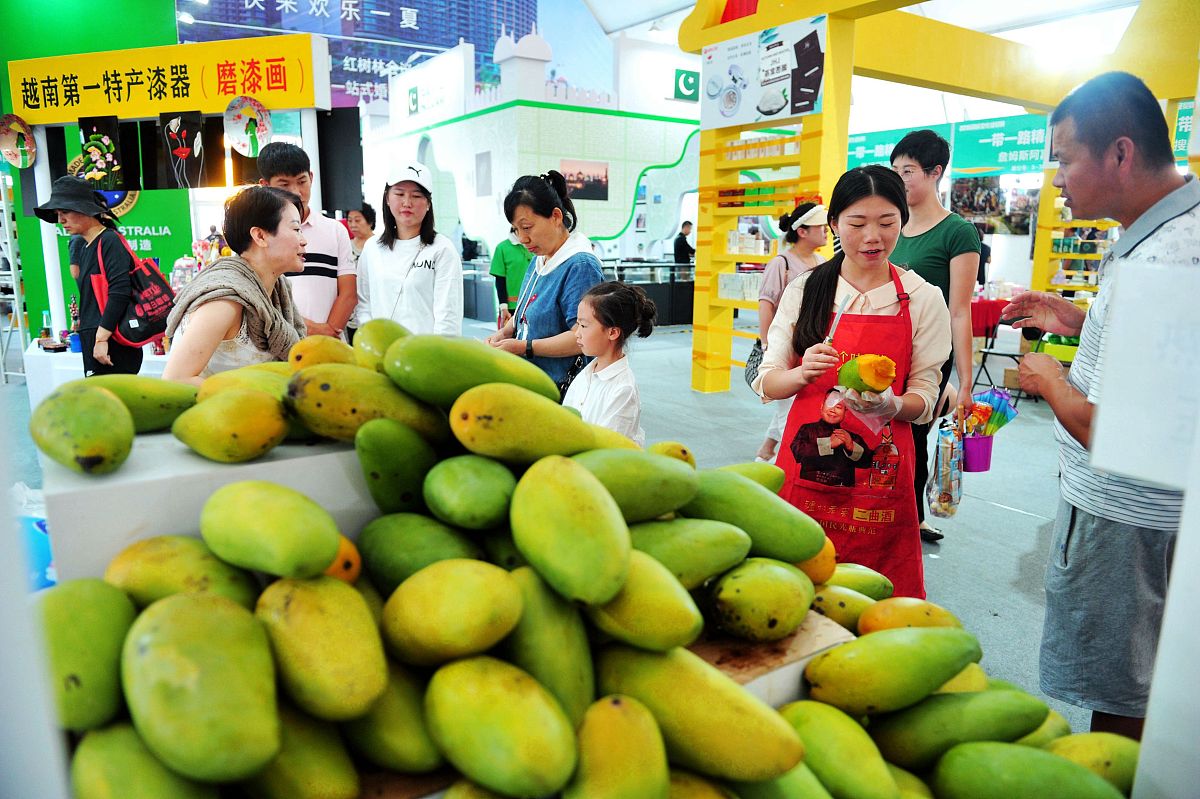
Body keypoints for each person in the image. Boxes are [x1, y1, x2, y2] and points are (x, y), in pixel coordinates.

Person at [1004, 71, 1194, 741]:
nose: (1056, 178)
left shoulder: (1170, 255)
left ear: (1119, 153)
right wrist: (1078, 319)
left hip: (1129, 518)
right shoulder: (1161, 230)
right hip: (1143, 514)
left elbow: (1123, 430)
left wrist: (1051, 380)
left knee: (1123, 688)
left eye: (1063, 157)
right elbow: (1166, 355)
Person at [754, 165, 951, 598]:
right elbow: (766, 382)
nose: (872, 237)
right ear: (834, 225)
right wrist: (801, 373)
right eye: (857, 223)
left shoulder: (922, 298)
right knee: (793, 601)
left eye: (887, 223)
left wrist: (892, 407)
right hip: (805, 477)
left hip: (880, 484)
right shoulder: (806, 289)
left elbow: (927, 394)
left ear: (904, 221)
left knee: (877, 609)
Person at [889, 129, 981, 543]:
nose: (900, 178)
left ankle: (909, 515)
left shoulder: (957, 233)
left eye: (908, 170)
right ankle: (900, 510)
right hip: (887, 347)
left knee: (914, 430)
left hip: (930, 355)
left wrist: (963, 382)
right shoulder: (891, 226)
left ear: (935, 172)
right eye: (896, 170)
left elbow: (960, 311)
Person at [162, 186, 307, 385]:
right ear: (260, 236)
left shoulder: (277, 291)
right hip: (216, 413)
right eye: (296, 229)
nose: (304, 241)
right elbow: (176, 379)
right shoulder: (224, 301)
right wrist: (256, 396)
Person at [487, 171, 605, 391]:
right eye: (516, 229)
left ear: (556, 217)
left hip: (560, 388)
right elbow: (524, 311)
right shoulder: (539, 259)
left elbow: (581, 336)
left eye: (527, 227)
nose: (522, 239)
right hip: (531, 381)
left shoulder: (579, 266)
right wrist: (505, 332)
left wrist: (524, 347)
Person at [34, 176, 142, 377]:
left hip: (112, 343)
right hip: (96, 339)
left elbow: (119, 292)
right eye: (58, 213)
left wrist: (101, 340)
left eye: (65, 211)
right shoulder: (85, 246)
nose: (60, 220)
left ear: (84, 209)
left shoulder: (109, 240)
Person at [257, 142, 355, 340]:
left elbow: (348, 294)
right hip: (278, 345)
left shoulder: (335, 230)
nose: (296, 192)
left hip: (330, 345)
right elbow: (258, 299)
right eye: (284, 185)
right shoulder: (259, 236)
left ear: (311, 177)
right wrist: (312, 330)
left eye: (302, 181)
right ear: (265, 186)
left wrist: (327, 335)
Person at [755, 202, 829, 462]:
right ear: (802, 231)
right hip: (787, 345)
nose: (826, 232)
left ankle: (766, 451)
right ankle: (786, 460)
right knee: (789, 405)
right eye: (820, 227)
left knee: (797, 400)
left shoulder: (822, 262)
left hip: (811, 345)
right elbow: (767, 302)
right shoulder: (782, 262)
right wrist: (767, 345)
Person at [354, 162, 463, 336]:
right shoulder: (373, 248)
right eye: (399, 194)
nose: (407, 202)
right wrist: (372, 340)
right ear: (387, 199)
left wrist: (438, 355)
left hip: (425, 355)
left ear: (428, 203)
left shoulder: (442, 249)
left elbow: (448, 316)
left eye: (416, 196)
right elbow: (363, 304)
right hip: (380, 353)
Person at [563, 281, 656, 446]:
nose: (577, 333)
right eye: (578, 324)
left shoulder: (623, 390)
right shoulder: (585, 374)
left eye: (583, 325)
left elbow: (606, 448)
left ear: (612, 332)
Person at [790, 389, 875, 487]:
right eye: (830, 404)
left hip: (842, 494)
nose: (833, 410)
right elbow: (797, 452)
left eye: (838, 407)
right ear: (822, 406)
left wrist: (851, 447)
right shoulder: (808, 429)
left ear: (845, 412)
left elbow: (868, 462)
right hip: (811, 488)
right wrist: (828, 445)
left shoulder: (850, 437)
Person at [343, 201, 376, 344]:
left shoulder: (379, 245)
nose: (353, 224)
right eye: (350, 220)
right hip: (350, 312)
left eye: (357, 220)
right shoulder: (345, 246)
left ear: (369, 221)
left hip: (373, 307)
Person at [490, 226, 533, 327]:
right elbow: (500, 280)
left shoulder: (535, 246)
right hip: (512, 308)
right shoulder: (502, 248)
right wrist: (503, 307)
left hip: (534, 305)